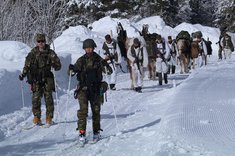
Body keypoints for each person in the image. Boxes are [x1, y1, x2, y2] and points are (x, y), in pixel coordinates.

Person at [68, 38, 112, 144]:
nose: (88, 50)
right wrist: (71, 70)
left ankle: (96, 132)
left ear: (93, 48)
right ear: (84, 49)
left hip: (96, 89)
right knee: (83, 111)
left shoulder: (98, 59)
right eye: (86, 48)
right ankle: (82, 133)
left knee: (96, 111)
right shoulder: (81, 60)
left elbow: (109, 72)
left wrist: (105, 65)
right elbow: (72, 72)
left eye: (90, 48)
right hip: (83, 89)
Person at [19, 33, 61, 126]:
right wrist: (23, 74)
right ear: (36, 42)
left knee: (48, 98)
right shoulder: (32, 53)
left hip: (47, 78)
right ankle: (37, 117)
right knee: (36, 98)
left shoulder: (50, 53)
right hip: (36, 79)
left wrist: (54, 63)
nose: (41, 43)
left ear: (45, 42)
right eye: (39, 41)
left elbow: (58, 67)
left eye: (42, 41)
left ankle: (49, 118)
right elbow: (27, 65)